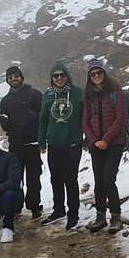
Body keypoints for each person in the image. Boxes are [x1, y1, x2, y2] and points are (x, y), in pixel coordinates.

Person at [82, 59, 127, 234]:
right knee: (99, 182)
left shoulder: (116, 92)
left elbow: (120, 119)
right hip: (96, 144)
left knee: (109, 180)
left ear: (104, 73)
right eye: (92, 74)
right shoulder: (88, 96)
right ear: (89, 77)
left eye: (99, 72)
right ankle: (100, 216)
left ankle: (116, 216)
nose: (96, 76)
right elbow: (85, 122)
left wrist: (105, 140)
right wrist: (94, 140)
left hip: (114, 142)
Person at [38, 60, 84, 230]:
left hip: (73, 143)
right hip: (54, 144)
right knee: (55, 179)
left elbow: (85, 117)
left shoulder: (78, 93)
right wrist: (42, 141)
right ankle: (59, 210)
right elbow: (43, 119)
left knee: (70, 178)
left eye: (62, 75)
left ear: (67, 76)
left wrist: (85, 139)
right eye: (55, 76)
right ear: (52, 78)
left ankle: (74, 213)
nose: (59, 78)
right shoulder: (47, 95)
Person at [0, 65, 44, 221]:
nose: (13, 79)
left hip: (32, 144)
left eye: (16, 76)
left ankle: (35, 208)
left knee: (33, 180)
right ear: (7, 81)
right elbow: (6, 126)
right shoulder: (5, 101)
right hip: (15, 145)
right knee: (15, 180)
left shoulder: (35, 94)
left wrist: (34, 116)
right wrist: (4, 123)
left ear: (21, 77)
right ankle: (16, 207)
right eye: (10, 77)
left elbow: (45, 115)